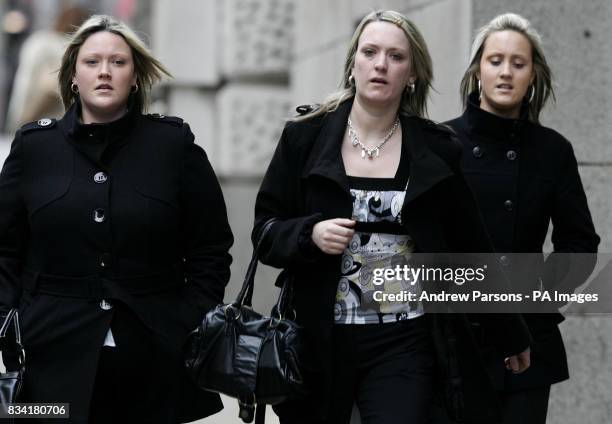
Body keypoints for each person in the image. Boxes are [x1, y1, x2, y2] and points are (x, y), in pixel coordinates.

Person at [252, 10, 531, 424]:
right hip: (318, 339)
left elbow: (470, 246)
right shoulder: (304, 137)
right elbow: (265, 231)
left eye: (396, 56)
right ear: (353, 65)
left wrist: (510, 334)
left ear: (413, 73)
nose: (381, 64)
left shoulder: (436, 149)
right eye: (370, 52)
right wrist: (309, 233)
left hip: (404, 341)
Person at [0, 15, 233, 423]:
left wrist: (191, 317)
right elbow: (4, 247)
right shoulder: (34, 147)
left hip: (155, 353)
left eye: (118, 62)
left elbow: (210, 245)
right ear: (73, 76)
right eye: (92, 62)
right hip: (49, 355)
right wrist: (9, 324)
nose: (104, 72)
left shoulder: (172, 145)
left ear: (136, 77)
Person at [442, 13, 600, 424]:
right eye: (495, 60)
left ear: (533, 75)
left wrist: (537, 301)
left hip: (528, 342)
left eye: (518, 63)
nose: (506, 72)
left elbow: (580, 244)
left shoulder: (553, 151)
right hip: (452, 341)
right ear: (478, 69)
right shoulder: (442, 144)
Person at [5, 6, 87, 133]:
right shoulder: (56, 45)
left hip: (34, 116)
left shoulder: (39, 41)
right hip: (47, 120)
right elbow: (51, 86)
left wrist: (22, 119)